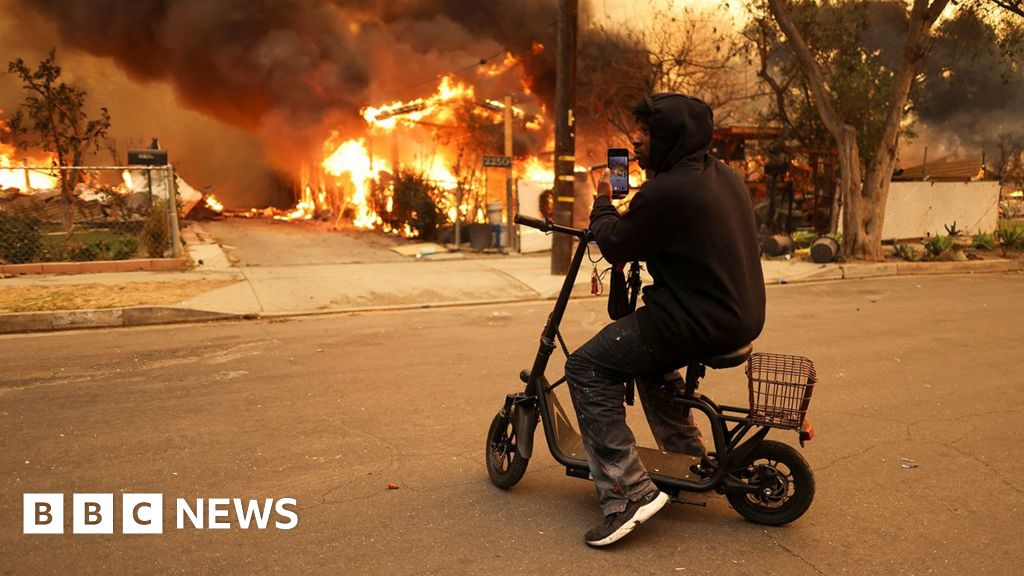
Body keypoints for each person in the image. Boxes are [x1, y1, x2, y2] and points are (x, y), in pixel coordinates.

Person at [565, 93, 766, 547]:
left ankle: (627, 493)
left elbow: (616, 244)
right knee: (646, 362)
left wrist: (601, 203)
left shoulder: (667, 191)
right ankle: (686, 458)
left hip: (695, 319)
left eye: (646, 133)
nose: (635, 140)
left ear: (671, 138)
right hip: (737, 313)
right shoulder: (721, 176)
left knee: (586, 367)